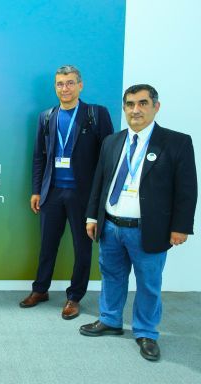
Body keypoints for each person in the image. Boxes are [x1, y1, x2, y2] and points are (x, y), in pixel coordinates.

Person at [80, 84, 197, 361]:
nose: (136, 110)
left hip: (149, 229)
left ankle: (146, 332)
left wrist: (181, 226)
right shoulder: (112, 141)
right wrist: (92, 215)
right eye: (130, 104)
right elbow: (100, 181)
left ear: (156, 107)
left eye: (143, 103)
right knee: (111, 276)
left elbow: (187, 190)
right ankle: (110, 320)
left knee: (148, 283)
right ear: (124, 107)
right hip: (110, 225)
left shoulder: (176, 142)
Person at [20, 65, 114, 319]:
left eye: (70, 83)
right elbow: (39, 156)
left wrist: (102, 196)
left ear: (80, 85)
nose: (65, 88)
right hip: (52, 192)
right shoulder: (46, 116)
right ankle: (40, 289)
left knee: (82, 248)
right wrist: (36, 190)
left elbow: (110, 156)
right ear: (55, 87)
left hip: (83, 195)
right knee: (47, 246)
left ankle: (74, 297)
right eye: (60, 84)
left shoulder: (96, 114)